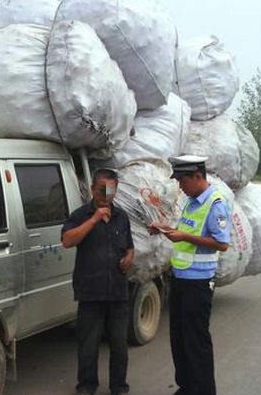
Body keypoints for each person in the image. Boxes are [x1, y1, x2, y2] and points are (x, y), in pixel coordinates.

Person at [149, 156, 231, 395]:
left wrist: (183, 237)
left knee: (196, 341)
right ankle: (187, 386)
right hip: (181, 280)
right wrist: (165, 229)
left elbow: (221, 243)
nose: (181, 187)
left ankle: (203, 390)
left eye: (183, 181)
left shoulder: (216, 203)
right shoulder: (192, 201)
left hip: (198, 284)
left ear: (197, 176)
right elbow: (186, 234)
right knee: (179, 338)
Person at [61, 169, 134, 395]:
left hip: (117, 291)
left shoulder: (122, 217)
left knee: (119, 346)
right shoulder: (80, 215)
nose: (106, 194)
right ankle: (87, 386)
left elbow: (130, 246)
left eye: (110, 189)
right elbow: (67, 240)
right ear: (93, 189)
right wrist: (94, 219)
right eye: (102, 189)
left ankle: (118, 387)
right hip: (90, 291)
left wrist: (129, 258)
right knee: (88, 345)